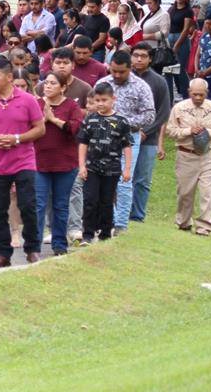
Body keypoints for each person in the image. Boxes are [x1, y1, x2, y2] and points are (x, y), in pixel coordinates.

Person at [0, 57, 46, 267]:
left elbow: (40, 129)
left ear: (9, 77)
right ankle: (3, 253)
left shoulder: (28, 100)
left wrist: (17, 139)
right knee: (0, 209)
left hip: (24, 160)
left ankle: (32, 249)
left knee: (28, 205)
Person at [98, 50, 156, 233]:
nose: (116, 75)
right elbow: (91, 106)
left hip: (128, 139)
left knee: (124, 180)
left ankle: (122, 224)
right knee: (103, 179)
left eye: (121, 72)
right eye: (113, 71)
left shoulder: (141, 86)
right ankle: (111, 219)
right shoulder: (102, 83)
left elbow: (149, 114)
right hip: (102, 138)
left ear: (129, 69)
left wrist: (122, 123)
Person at [164, 78, 211, 235]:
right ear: (189, 92)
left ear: (206, 93)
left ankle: (204, 226)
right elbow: (170, 130)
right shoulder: (179, 108)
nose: (198, 98)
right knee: (185, 192)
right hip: (186, 155)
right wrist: (189, 131)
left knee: (207, 192)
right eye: (195, 94)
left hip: (207, 155)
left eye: (201, 94)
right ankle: (184, 222)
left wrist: (206, 132)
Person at [77, 82, 133, 244]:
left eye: (104, 100)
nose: (101, 104)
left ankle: (105, 233)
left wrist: (127, 169)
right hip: (92, 167)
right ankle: (87, 233)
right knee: (90, 200)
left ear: (113, 99)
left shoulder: (121, 121)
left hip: (112, 169)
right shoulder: (90, 119)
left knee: (106, 202)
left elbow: (127, 146)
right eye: (97, 100)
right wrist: (82, 166)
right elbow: (83, 143)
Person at [33, 72, 83, 256]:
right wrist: (43, 120)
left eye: (53, 83)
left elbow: (76, 128)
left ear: (63, 87)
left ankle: (60, 244)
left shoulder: (71, 105)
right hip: (39, 162)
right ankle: (34, 245)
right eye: (46, 83)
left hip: (65, 164)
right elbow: (27, 127)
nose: (48, 86)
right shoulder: (36, 104)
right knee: (38, 204)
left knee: (61, 205)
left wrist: (53, 119)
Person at [129, 45, 171, 225]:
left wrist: (145, 131)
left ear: (150, 59)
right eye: (136, 56)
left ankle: (137, 216)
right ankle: (120, 214)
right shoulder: (124, 78)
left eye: (143, 56)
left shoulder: (159, 81)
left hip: (149, 139)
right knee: (123, 178)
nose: (139, 59)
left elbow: (164, 112)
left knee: (143, 179)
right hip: (125, 137)